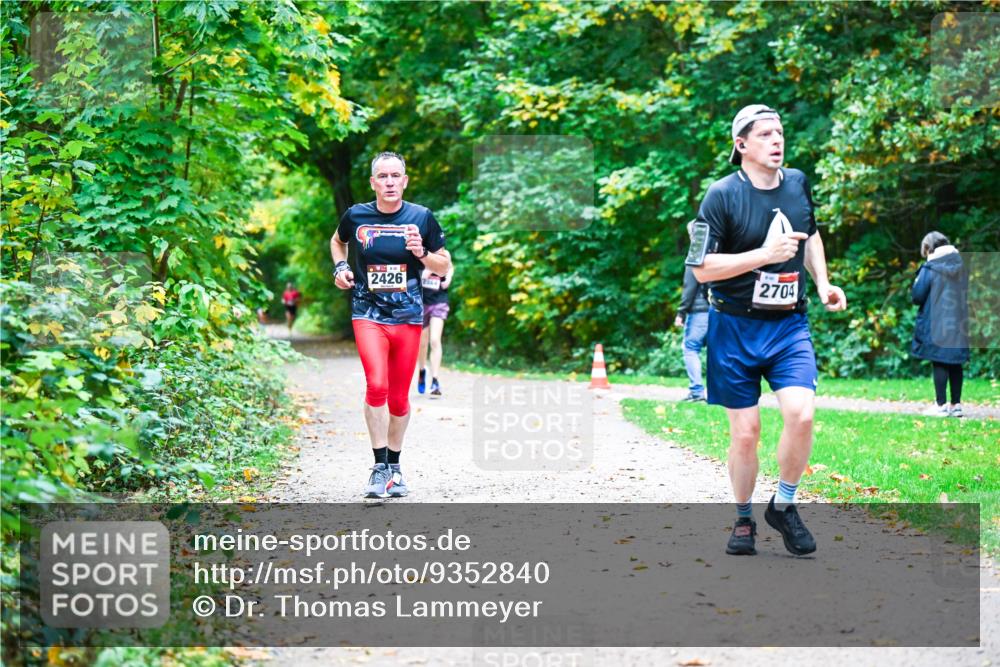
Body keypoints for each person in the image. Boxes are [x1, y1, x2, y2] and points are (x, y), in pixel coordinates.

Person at [690, 104, 847, 557]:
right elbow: (700, 269)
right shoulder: (719, 197)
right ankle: (743, 519)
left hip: (788, 325)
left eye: (780, 132)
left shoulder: (797, 184)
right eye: (765, 134)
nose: (777, 140)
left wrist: (822, 282)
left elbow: (810, 233)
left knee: (802, 414)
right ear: (741, 145)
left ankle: (785, 505)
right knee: (746, 433)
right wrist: (763, 254)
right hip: (733, 327)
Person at [331, 151, 450, 498]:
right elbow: (338, 242)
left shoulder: (422, 218)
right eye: (382, 176)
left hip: (409, 315)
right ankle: (378, 466)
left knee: (399, 399)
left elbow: (442, 266)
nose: (389, 182)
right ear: (373, 182)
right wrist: (340, 268)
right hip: (367, 312)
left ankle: (395, 468)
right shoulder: (356, 215)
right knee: (377, 386)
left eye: (395, 176)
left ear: (405, 180)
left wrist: (422, 255)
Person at [911, 231, 969, 418]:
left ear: (928, 249)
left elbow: (917, 297)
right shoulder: (961, 267)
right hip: (958, 320)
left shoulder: (929, 269)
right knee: (955, 362)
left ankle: (941, 405)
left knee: (940, 361)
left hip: (936, 321)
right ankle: (956, 405)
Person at [674, 221, 710, 402]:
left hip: (699, 311)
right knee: (717, 350)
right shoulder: (718, 252)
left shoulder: (695, 254)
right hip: (719, 309)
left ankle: (696, 391)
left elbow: (690, 286)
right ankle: (720, 392)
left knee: (690, 348)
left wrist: (681, 312)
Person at [417, 264, 454, 398]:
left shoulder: (442, 251)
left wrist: (448, 276)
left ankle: (435, 380)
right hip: (421, 302)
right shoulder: (415, 249)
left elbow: (449, 266)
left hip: (439, 302)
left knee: (434, 340)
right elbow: (410, 277)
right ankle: (421, 371)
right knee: (422, 343)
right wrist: (425, 274)